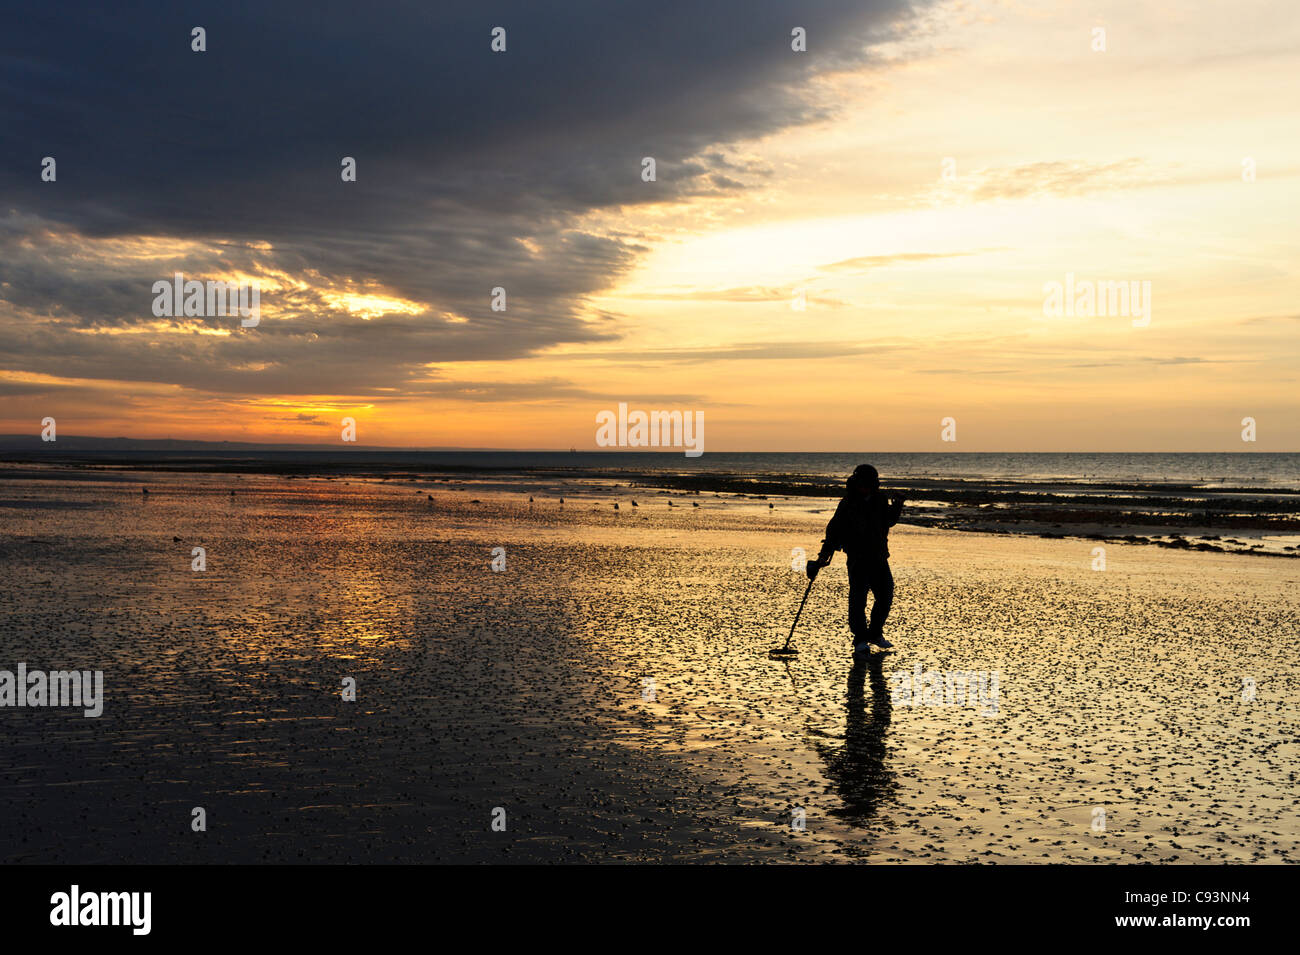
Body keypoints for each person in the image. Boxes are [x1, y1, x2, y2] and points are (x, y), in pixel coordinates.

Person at [807, 464, 905, 655]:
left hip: (879, 556)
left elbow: (889, 521)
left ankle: (875, 633)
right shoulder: (848, 503)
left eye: (869, 484)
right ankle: (860, 639)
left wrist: (898, 505)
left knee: (885, 596)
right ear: (856, 483)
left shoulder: (879, 499)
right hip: (857, 558)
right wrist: (824, 553)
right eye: (862, 484)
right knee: (858, 599)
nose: (865, 487)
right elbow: (834, 529)